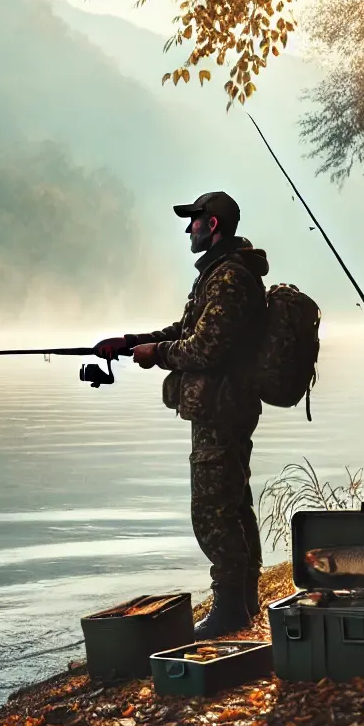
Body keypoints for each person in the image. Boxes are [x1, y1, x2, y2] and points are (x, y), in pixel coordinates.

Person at [95, 191, 269, 638]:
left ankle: (230, 610)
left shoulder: (229, 277)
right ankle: (243, 602)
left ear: (212, 225)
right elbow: (186, 330)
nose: (188, 228)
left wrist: (159, 354)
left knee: (212, 511)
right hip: (222, 407)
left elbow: (205, 348)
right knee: (233, 503)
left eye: (193, 220)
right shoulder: (220, 272)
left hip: (222, 408)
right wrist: (132, 342)